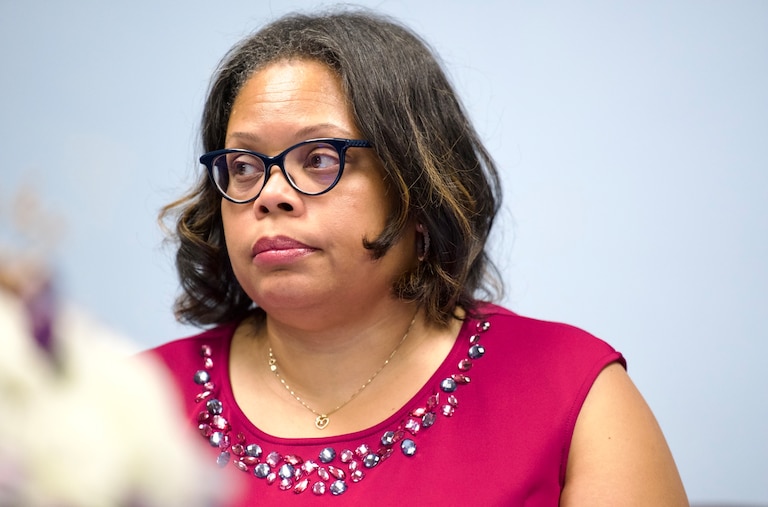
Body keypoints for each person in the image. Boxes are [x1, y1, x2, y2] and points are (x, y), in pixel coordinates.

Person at [145, 8, 688, 505]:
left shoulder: (571, 393)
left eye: (318, 158)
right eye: (243, 166)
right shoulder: (133, 404)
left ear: (419, 186)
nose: (269, 193)